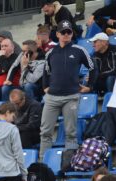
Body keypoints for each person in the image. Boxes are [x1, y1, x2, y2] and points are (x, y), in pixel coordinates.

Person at [39, 20, 95, 160]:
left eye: (68, 32)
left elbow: (93, 67)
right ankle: (43, 162)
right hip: (52, 98)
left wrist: (90, 86)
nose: (66, 34)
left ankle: (70, 162)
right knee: (45, 132)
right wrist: (45, 87)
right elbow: (46, 71)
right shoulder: (50, 52)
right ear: (57, 34)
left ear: (71, 34)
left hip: (71, 97)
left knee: (70, 132)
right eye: (63, 32)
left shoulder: (79, 50)